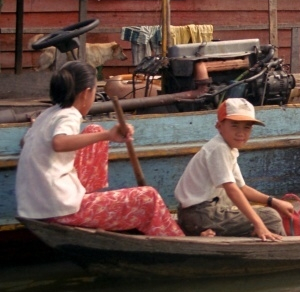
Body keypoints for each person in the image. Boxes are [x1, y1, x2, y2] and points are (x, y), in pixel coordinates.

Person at [15, 61, 184, 237]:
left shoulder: (47, 114)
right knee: (148, 197)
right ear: (86, 93)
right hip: (58, 208)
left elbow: (25, 143)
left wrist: (40, 132)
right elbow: (59, 143)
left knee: (94, 130)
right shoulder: (69, 114)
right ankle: (179, 242)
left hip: (36, 205)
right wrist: (108, 136)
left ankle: (89, 199)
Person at [174, 98, 295, 240]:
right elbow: (232, 189)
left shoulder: (228, 149)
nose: (241, 133)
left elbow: (241, 188)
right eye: (234, 125)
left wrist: (273, 201)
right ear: (219, 126)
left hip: (205, 213)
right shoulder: (219, 148)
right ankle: (284, 250)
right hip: (198, 215)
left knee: (265, 211)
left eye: (247, 127)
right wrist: (259, 224)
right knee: (271, 218)